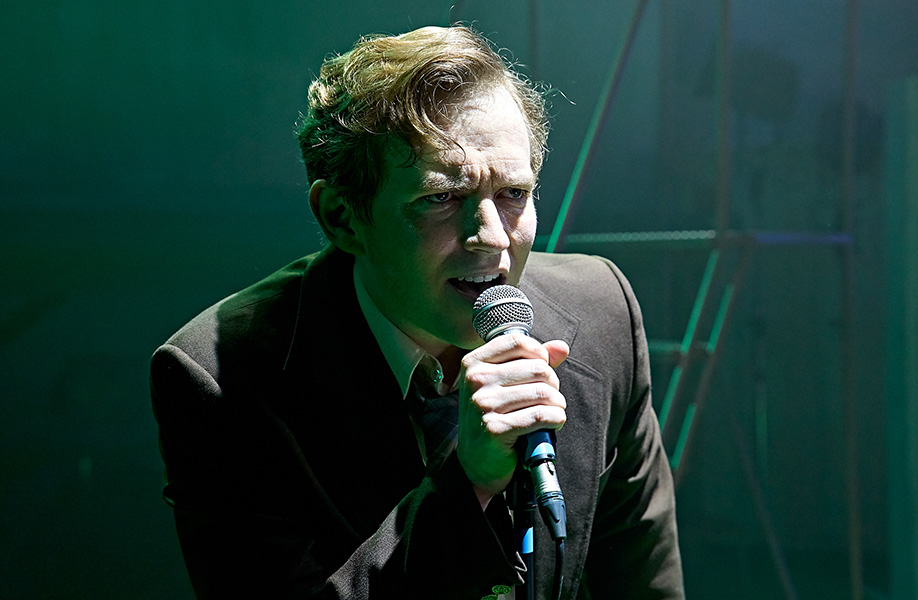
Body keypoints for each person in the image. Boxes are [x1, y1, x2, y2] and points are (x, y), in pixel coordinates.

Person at [149, 25, 684, 600]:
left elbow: (643, 584)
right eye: (440, 198)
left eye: (514, 194)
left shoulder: (601, 311)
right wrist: (468, 484)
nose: (490, 238)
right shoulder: (218, 377)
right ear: (342, 217)